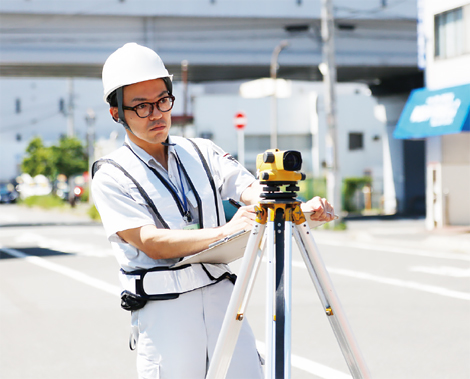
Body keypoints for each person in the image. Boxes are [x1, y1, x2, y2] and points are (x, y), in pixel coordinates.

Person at [92, 42, 335, 379]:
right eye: (141, 106)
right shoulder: (111, 174)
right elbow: (149, 241)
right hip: (165, 313)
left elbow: (251, 189)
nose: (156, 114)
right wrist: (226, 232)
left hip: (224, 300)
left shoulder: (201, 151)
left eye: (163, 101)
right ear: (116, 112)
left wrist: (296, 206)